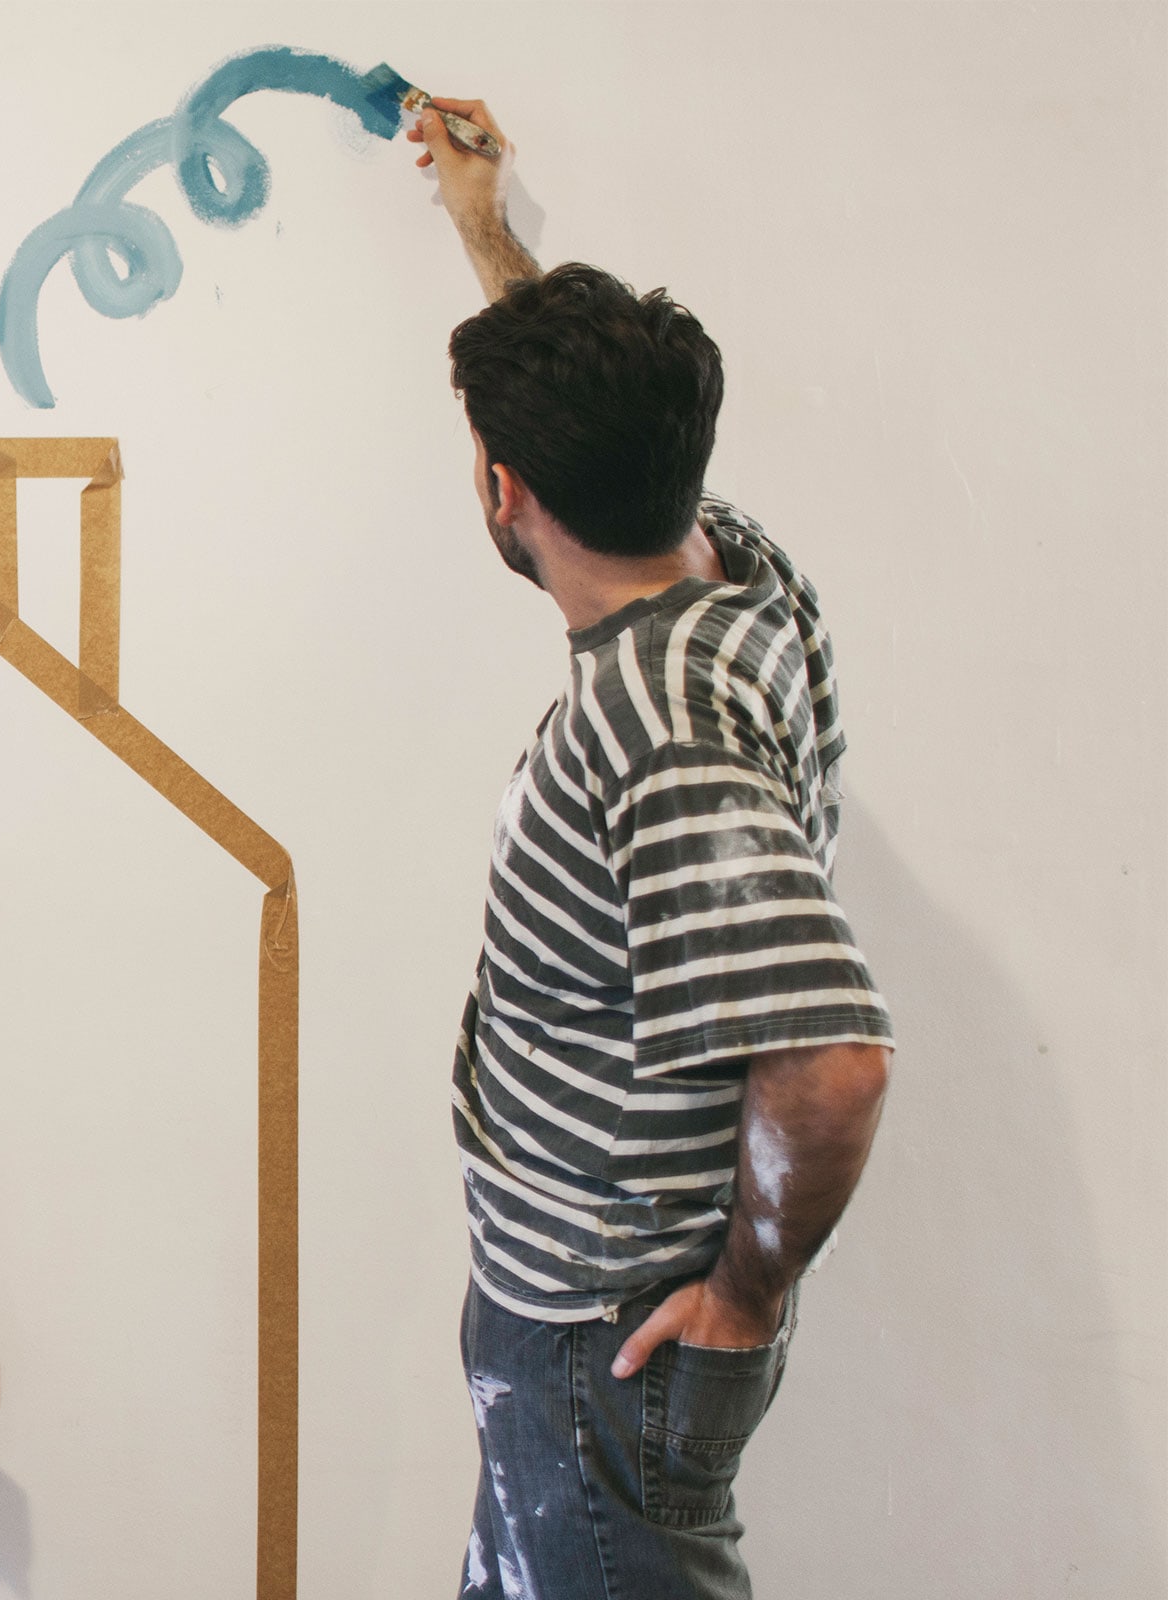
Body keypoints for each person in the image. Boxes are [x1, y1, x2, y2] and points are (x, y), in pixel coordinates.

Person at [408, 99, 897, 1598]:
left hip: (602, 1340)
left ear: (506, 496)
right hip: (575, 1320)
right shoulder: (731, 562)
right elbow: (582, 432)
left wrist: (743, 1299)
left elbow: (831, 1065)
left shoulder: (654, 726)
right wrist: (485, 232)